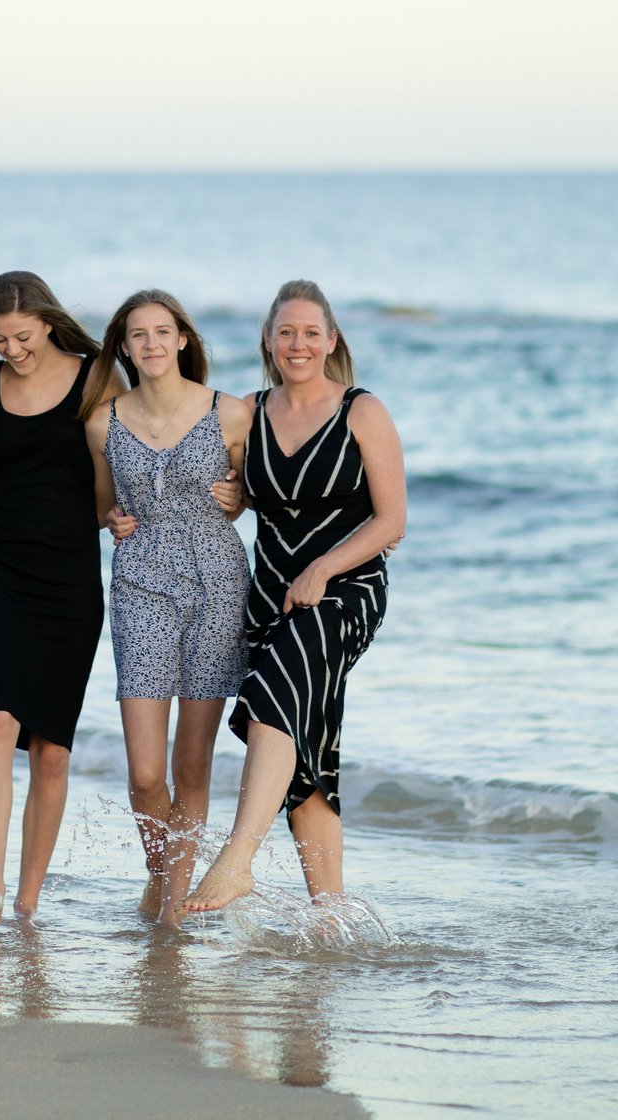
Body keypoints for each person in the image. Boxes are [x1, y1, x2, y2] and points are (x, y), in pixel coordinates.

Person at [185, 280, 406, 914]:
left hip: (346, 593)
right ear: (268, 341)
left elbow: (391, 521)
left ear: (332, 340)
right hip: (270, 599)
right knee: (307, 755)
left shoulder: (362, 411)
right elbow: (202, 471)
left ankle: (235, 861)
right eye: (286, 332)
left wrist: (322, 571)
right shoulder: (249, 412)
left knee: (273, 695)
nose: (298, 343)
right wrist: (232, 499)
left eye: (311, 332)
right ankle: (330, 919)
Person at [0, 272, 125, 926]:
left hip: (72, 575)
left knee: (52, 748)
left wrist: (116, 518)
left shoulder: (100, 376)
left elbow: (115, 475)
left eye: (22, 337)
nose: (12, 350)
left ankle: (27, 903)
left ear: (49, 323)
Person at [84, 289, 253, 927]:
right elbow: (104, 507)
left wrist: (239, 501)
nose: (151, 344)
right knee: (148, 770)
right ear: (123, 346)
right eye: (138, 334)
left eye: (163, 332)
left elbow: (253, 495)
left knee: (191, 764)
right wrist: (111, 519)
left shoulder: (230, 413)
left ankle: (171, 910)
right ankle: (161, 878)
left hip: (217, 582)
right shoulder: (102, 422)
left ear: (183, 339)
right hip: (140, 583)